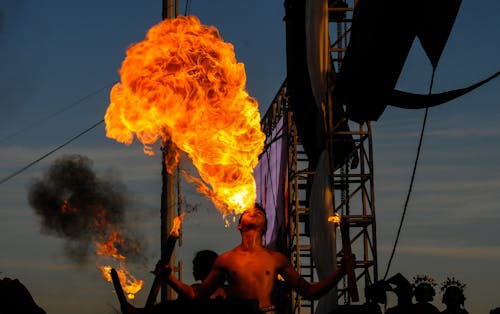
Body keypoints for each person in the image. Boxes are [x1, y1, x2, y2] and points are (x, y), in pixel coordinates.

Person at [155, 203, 353, 313]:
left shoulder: (277, 259)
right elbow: (197, 296)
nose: (255, 210)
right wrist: (169, 278)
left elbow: (309, 292)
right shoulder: (226, 260)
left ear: (265, 226)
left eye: (260, 212)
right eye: (249, 211)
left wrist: (341, 272)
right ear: (239, 225)